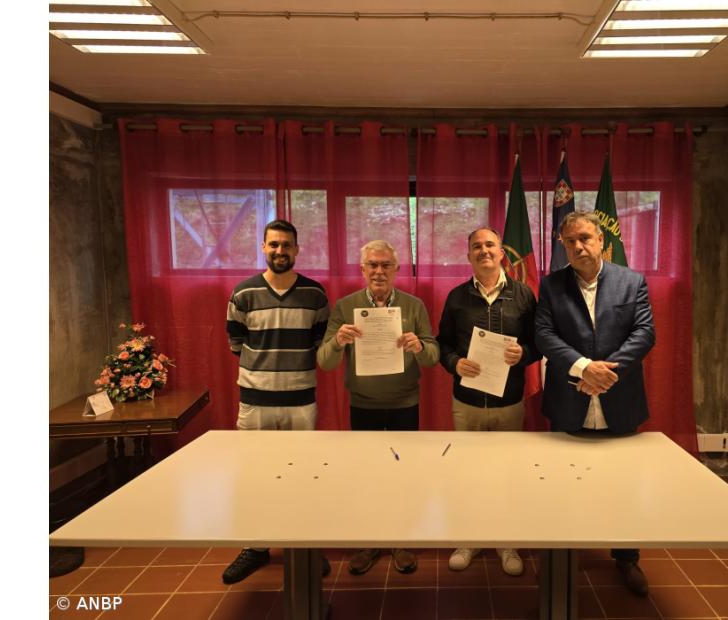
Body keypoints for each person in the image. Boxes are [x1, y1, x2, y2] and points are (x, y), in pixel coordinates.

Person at [533, 211, 656, 597]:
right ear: (563, 245)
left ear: (602, 240)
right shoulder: (551, 285)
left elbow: (644, 332)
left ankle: (626, 557)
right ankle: (562, 556)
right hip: (569, 400)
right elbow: (543, 334)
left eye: (585, 238)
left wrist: (605, 373)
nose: (579, 246)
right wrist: (584, 367)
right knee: (562, 484)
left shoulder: (632, 281)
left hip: (620, 400)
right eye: (570, 241)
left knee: (623, 486)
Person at [317, 239, 440, 575]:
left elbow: (433, 357)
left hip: (404, 403)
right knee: (367, 475)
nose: (379, 271)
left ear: (397, 269)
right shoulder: (346, 307)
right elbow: (324, 362)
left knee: (404, 475)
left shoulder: (413, 306)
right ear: (362, 270)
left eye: (386, 265)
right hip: (364, 404)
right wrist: (338, 341)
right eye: (372, 265)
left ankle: (401, 540)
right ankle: (369, 541)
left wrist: (419, 346)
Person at [222, 219, 332, 584]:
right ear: (263, 247)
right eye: (273, 244)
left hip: (300, 400)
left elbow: (320, 343)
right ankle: (255, 546)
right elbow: (236, 343)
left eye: (286, 245)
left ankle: (306, 546)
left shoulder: (315, 294)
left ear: (297, 249)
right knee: (254, 476)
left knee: (305, 476)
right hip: (256, 401)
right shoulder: (244, 293)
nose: (280, 251)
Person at [436, 227, 538, 576]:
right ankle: (469, 539)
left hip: (509, 403)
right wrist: (454, 363)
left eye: (490, 245)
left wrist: (523, 353)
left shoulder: (523, 295)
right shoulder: (456, 297)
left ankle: (506, 542)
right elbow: (442, 344)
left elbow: (539, 344)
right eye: (476, 246)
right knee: (467, 476)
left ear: (501, 253)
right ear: (469, 256)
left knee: (506, 475)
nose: (484, 251)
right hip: (466, 404)